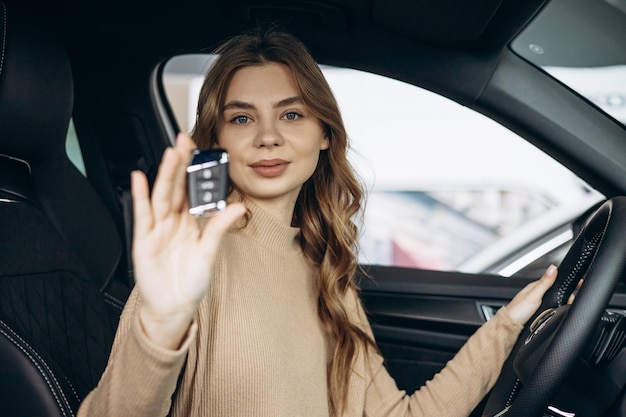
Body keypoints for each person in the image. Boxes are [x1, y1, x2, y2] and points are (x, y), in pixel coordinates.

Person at [78, 28, 558, 417]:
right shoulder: (192, 262)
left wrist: (510, 324)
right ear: (217, 141)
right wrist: (160, 325)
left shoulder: (325, 266)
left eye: (291, 114)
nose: (268, 137)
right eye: (241, 119)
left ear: (324, 134)